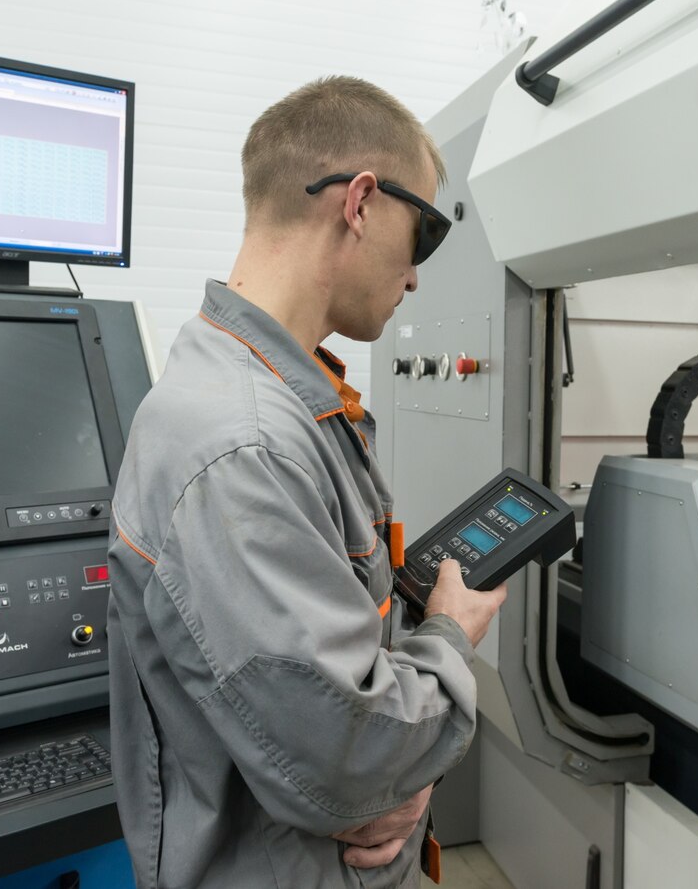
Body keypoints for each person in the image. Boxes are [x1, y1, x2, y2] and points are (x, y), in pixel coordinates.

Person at [106, 76, 507, 888]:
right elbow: (347, 760)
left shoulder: (274, 396)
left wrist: (402, 779)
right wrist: (449, 635)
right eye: (425, 233)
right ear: (360, 203)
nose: (417, 276)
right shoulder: (243, 444)